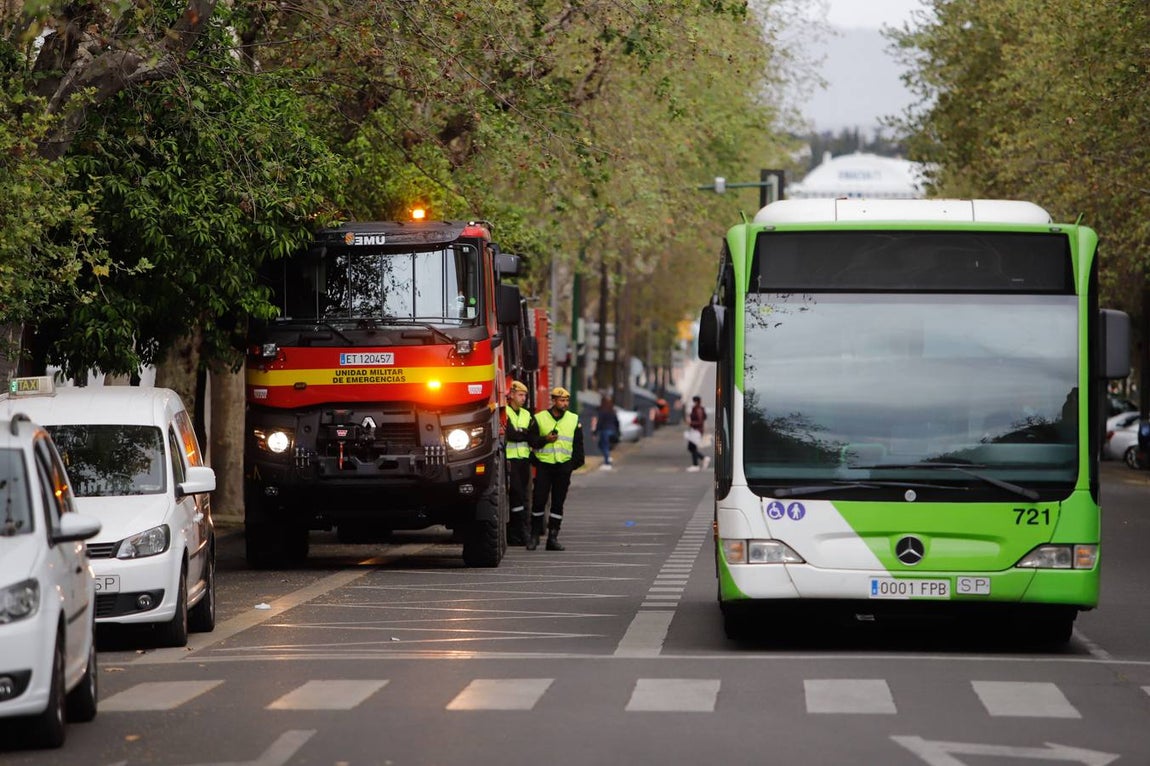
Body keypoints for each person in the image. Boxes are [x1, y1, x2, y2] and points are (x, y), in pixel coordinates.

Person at [526, 386, 584, 550]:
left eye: (566, 401)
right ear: (554, 401)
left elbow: (579, 447)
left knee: (558, 503)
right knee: (538, 501)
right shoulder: (540, 418)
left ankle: (553, 537)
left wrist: (571, 466)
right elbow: (531, 442)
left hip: (563, 467)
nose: (565, 404)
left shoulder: (573, 419)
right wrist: (545, 439)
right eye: (561, 400)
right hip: (544, 465)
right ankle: (534, 536)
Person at [504, 380, 533, 545]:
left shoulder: (526, 414)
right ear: (512, 394)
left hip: (524, 460)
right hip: (511, 460)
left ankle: (520, 531)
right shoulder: (505, 412)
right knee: (516, 496)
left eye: (525, 396)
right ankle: (518, 532)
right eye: (520, 395)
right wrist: (523, 433)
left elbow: (529, 434)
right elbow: (512, 435)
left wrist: (521, 433)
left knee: (523, 497)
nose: (523, 399)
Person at [591, 395, 620, 470]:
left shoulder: (602, 411)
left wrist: (595, 432)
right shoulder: (612, 411)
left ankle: (607, 462)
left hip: (605, 431)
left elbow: (599, 423)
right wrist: (617, 431)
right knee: (605, 446)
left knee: (604, 446)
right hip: (612, 430)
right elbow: (616, 422)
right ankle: (608, 457)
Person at [686, 395, 710, 472]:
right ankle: (701, 460)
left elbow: (700, 421)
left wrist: (691, 423)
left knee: (692, 447)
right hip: (696, 430)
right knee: (692, 447)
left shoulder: (698, 409)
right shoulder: (698, 408)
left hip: (697, 431)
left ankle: (697, 464)